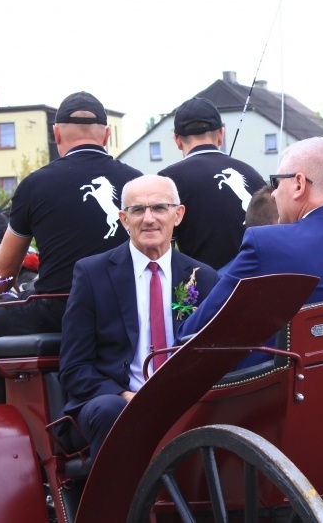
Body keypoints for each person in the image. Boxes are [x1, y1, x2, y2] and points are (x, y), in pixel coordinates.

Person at [0, 91, 143, 402]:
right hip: (129, 308)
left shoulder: (34, 185)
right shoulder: (137, 182)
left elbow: (3, 270)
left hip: (59, 312)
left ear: (56, 134)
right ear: (107, 135)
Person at [177, 136, 323, 343]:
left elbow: (199, 331)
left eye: (277, 183)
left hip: (289, 391)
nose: (275, 193)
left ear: (299, 184)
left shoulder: (267, 244)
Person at [59, 174, 218, 458]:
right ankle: (115, 502)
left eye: (159, 208)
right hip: (115, 400)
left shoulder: (203, 277)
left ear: (178, 215)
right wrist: (126, 397)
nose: (149, 219)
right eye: (137, 210)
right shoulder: (92, 274)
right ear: (123, 219)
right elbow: (74, 367)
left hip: (185, 399)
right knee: (112, 411)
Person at [158, 97, 266, 270]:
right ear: (221, 134)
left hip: (203, 290)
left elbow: (160, 246)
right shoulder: (253, 174)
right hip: (256, 285)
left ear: (177, 140)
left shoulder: (168, 180)